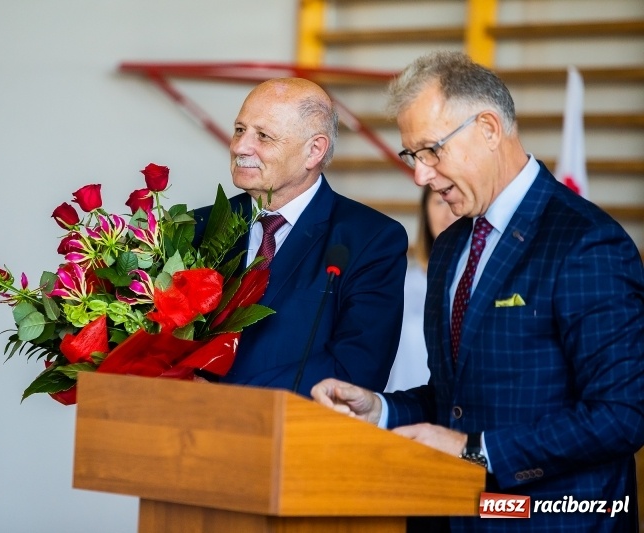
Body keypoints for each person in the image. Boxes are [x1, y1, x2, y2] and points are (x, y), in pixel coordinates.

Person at [311, 51, 644, 532]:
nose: (421, 175)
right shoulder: (450, 246)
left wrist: (476, 450)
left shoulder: (586, 242)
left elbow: (621, 416)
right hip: (454, 514)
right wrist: (380, 409)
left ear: (489, 128)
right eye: (412, 155)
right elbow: (457, 399)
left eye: (431, 151)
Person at [192, 77, 408, 397]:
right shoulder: (197, 225)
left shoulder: (371, 240)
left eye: (263, 136)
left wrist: (223, 399)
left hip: (294, 436)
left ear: (314, 151)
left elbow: (357, 368)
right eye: (240, 130)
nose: (240, 146)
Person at [385, 187, 459, 392]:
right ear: (425, 210)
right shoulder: (400, 284)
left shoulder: (480, 283)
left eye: (453, 200)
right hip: (403, 411)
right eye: (439, 202)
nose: (448, 213)